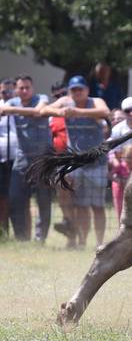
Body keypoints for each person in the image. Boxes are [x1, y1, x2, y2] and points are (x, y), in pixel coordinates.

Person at [41, 75, 111, 248]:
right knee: (81, 206)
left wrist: (77, 112)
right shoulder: (65, 101)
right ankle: (82, 242)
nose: (77, 92)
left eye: (80, 89)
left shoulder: (96, 101)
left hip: (97, 162)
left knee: (98, 206)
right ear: (70, 92)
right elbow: (43, 110)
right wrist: (59, 112)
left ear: (87, 90)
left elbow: (105, 112)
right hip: (76, 162)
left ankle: (100, 244)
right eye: (74, 90)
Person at [2, 75, 51, 242]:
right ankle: (21, 238)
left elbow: (38, 111)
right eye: (21, 88)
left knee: (43, 200)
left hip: (43, 159)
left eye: (27, 87)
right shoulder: (12, 102)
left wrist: (12, 110)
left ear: (33, 88)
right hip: (22, 157)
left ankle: (40, 239)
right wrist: (10, 109)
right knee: (15, 198)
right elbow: (2, 109)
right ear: (16, 90)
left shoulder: (42, 98)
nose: (24, 91)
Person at [0, 79, 18, 237]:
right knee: (2, 197)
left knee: (18, 197)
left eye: (11, 91)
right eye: (4, 91)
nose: (7, 94)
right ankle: (3, 232)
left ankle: (22, 233)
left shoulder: (21, 106)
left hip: (18, 158)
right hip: (2, 159)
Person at [109, 145, 132, 220]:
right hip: (119, 192)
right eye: (128, 157)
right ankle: (120, 226)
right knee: (120, 212)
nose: (130, 160)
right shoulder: (120, 166)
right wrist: (118, 180)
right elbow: (110, 175)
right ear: (123, 156)